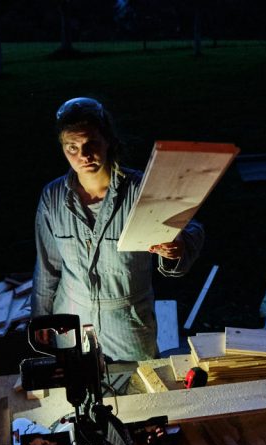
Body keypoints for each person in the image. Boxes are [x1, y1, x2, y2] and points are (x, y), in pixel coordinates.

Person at [31, 97, 204, 362]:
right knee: (76, 392)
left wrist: (179, 246)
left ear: (108, 140)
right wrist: (42, 318)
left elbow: (191, 226)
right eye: (72, 148)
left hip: (127, 323)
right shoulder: (52, 198)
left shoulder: (140, 190)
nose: (84, 155)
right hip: (71, 321)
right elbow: (47, 266)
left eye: (91, 144)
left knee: (138, 390)